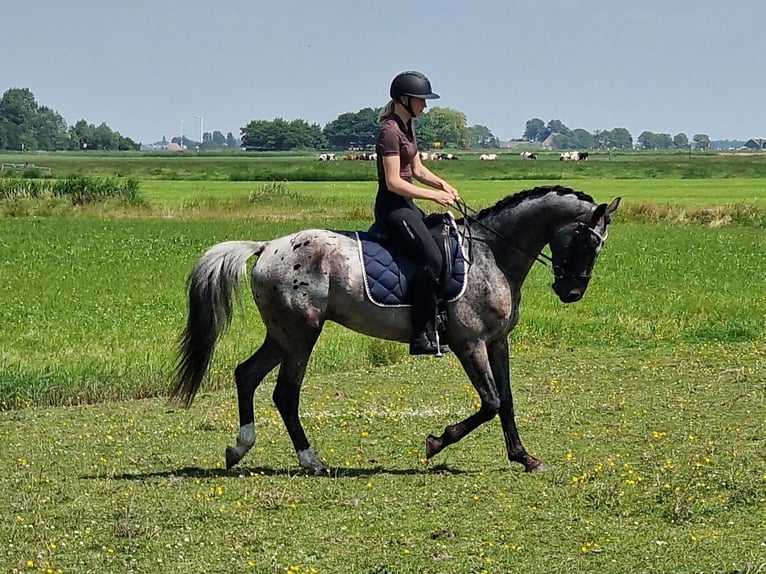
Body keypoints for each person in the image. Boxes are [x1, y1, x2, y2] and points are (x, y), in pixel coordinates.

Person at [374, 70, 461, 355]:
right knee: (432, 260)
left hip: (408, 205)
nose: (425, 105)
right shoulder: (390, 131)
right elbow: (394, 182)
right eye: (421, 100)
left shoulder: (408, 126)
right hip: (393, 208)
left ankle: (440, 317)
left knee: (442, 242)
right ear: (404, 99)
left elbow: (418, 169)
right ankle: (419, 336)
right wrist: (434, 195)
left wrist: (443, 184)